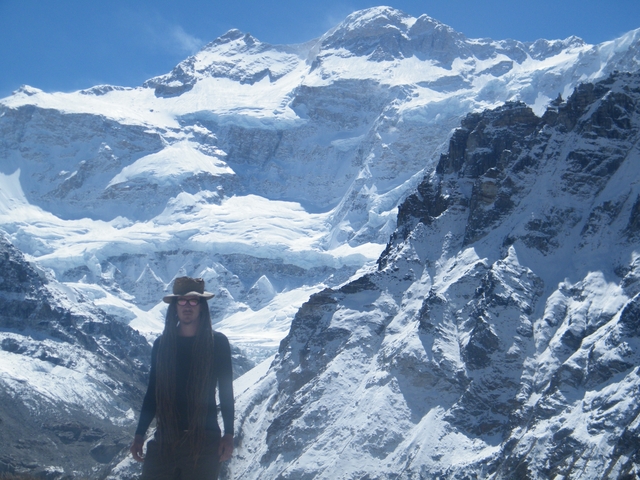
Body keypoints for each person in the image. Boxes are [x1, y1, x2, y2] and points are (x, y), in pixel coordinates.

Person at [130, 276, 234, 480]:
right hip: (166, 436)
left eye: (193, 300)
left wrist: (229, 434)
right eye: (182, 301)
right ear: (175, 306)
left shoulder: (217, 343)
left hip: (205, 438)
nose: (188, 306)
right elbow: (153, 392)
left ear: (202, 306)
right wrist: (139, 434)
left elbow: (226, 391)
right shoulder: (162, 345)